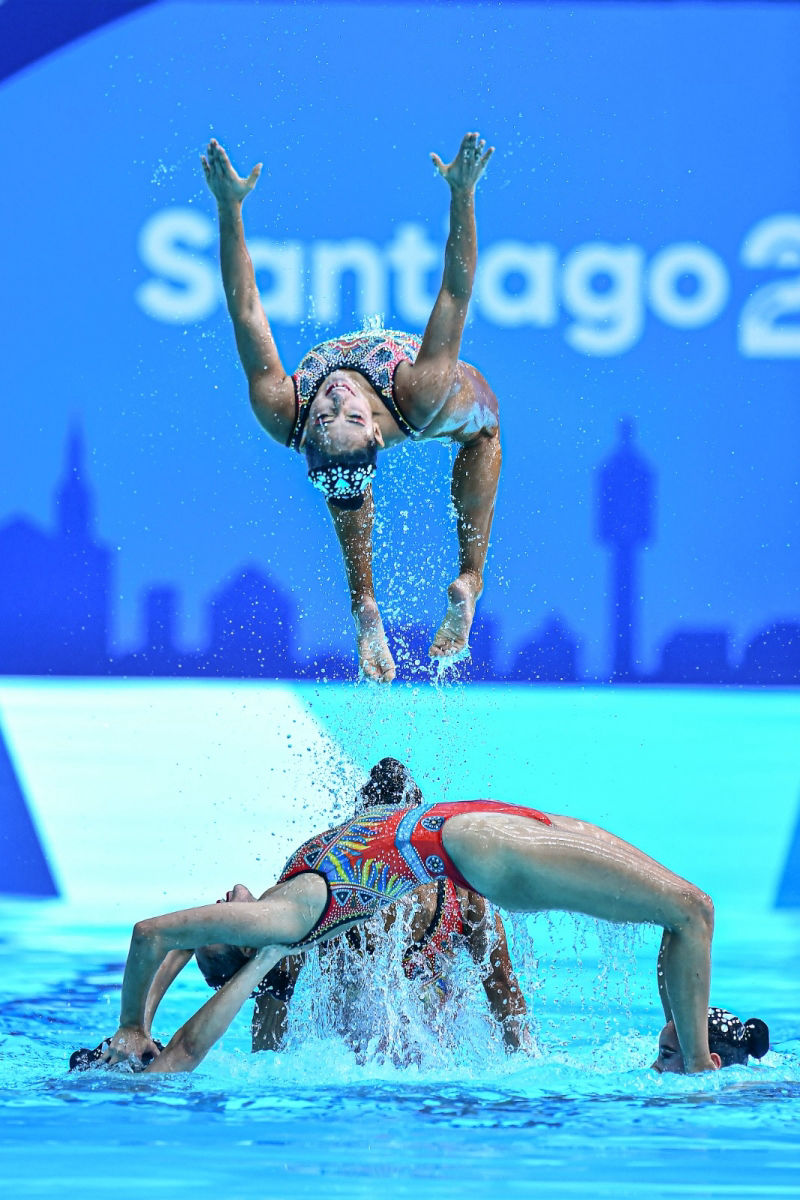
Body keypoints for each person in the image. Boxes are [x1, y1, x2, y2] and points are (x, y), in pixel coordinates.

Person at [95, 762, 753, 1077]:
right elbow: (159, 937)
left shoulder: (287, 897)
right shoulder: (287, 919)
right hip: (479, 843)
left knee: (686, 913)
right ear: (248, 939)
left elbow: (172, 942)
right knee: (690, 913)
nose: (228, 895)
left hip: (481, 828)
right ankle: (696, 1078)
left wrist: (136, 1026)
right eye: (228, 917)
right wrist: (138, 1028)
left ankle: (690, 1059)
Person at [201, 132, 501, 682]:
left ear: (303, 427)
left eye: (325, 414)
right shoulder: (419, 392)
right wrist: (463, 193)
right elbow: (455, 292)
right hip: (442, 408)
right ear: (376, 432)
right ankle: (470, 579)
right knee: (484, 432)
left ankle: (365, 607)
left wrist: (228, 207)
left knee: (344, 479)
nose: (337, 397)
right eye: (353, 416)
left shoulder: (280, 406)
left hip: (370, 442)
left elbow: (244, 308)